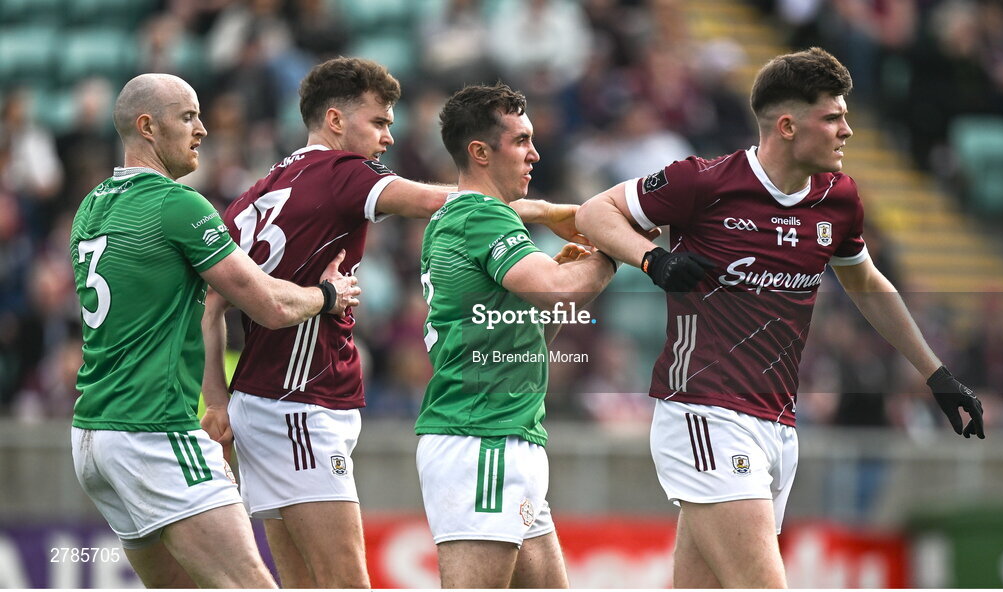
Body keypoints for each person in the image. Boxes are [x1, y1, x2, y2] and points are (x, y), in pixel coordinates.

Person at [575, 47, 985, 588]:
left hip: (778, 424)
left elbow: (866, 283)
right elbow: (593, 212)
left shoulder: (839, 200)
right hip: (704, 411)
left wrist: (937, 375)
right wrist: (654, 259)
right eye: (833, 117)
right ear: (788, 125)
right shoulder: (705, 182)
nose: (848, 131)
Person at [199, 57, 586, 588]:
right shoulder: (341, 173)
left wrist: (217, 399)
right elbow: (451, 200)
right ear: (335, 121)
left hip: (258, 398)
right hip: (302, 400)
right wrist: (549, 212)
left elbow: (212, 301)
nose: (388, 136)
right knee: (346, 584)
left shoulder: (261, 188)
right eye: (378, 122)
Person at [68, 73, 360, 588]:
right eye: (187, 117)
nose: (202, 129)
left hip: (93, 436)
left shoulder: (91, 206)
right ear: (147, 127)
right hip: (153, 431)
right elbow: (268, 302)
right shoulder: (176, 205)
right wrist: (329, 296)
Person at [416, 83, 617, 589]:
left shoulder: (463, 216)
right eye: (521, 141)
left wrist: (559, 272)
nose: (535, 153)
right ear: (480, 152)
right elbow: (556, 291)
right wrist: (613, 248)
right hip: (480, 437)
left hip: (507, 433)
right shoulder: (480, 216)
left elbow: (522, 323)